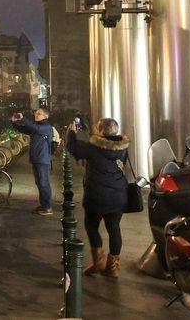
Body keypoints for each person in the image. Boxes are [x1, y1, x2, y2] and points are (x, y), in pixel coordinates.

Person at [67, 117, 131, 278]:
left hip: (97, 195)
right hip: (118, 194)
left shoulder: (95, 148)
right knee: (114, 228)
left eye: (97, 127)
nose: (94, 128)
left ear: (102, 131)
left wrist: (71, 133)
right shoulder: (122, 148)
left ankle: (99, 262)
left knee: (91, 225)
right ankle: (113, 267)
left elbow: (74, 149)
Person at [11, 108, 55, 215]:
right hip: (37, 158)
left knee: (43, 183)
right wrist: (13, 122)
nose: (36, 115)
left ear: (45, 116)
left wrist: (23, 119)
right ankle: (44, 205)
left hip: (42, 159)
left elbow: (34, 127)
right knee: (39, 182)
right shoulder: (37, 127)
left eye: (39, 114)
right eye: (35, 113)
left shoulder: (46, 127)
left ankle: (48, 207)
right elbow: (24, 129)